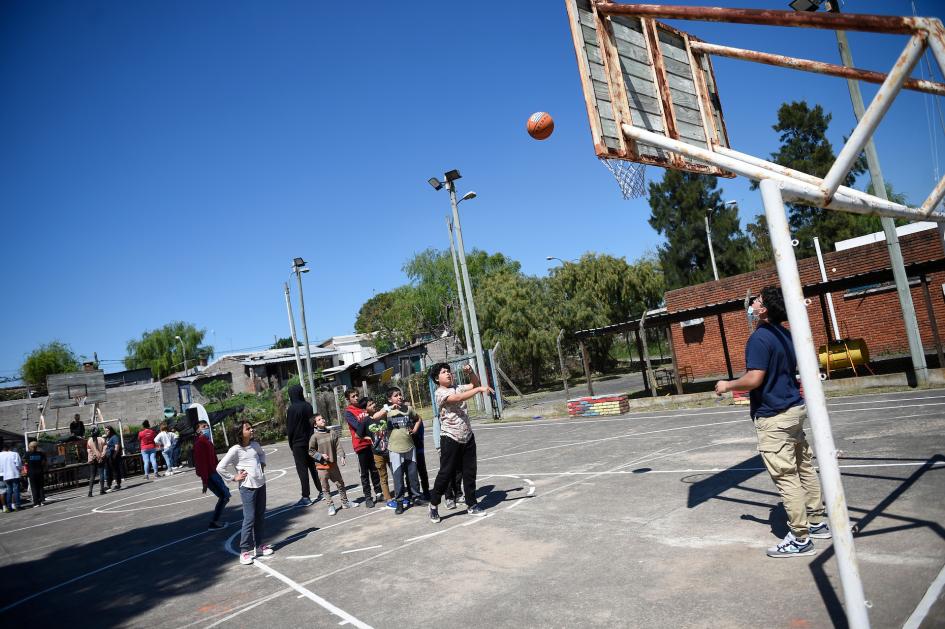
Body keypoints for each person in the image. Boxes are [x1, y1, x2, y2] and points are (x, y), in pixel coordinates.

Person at [715, 286, 830, 558]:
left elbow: (755, 378)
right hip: (793, 409)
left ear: (764, 309)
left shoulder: (760, 338)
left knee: (786, 476)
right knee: (804, 468)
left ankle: (800, 538)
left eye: (757, 300)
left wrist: (726, 385)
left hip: (775, 416)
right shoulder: (786, 335)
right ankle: (816, 522)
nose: (752, 303)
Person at [428, 362, 492, 524]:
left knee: (470, 472)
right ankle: (434, 505)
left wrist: (470, 372)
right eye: (443, 372)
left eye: (448, 371)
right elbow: (458, 398)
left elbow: (474, 383)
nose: (448, 374)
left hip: (467, 436)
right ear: (437, 378)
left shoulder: (457, 386)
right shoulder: (440, 392)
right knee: (446, 473)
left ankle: (472, 504)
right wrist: (478, 390)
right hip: (450, 437)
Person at [217, 421, 270, 565]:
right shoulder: (235, 449)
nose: (251, 430)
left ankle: (259, 546)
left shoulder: (255, 445)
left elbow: (262, 455)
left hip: (260, 484)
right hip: (247, 488)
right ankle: (244, 551)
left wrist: (262, 465)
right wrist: (234, 477)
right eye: (248, 428)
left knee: (260, 516)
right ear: (240, 432)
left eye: (251, 427)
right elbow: (220, 467)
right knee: (250, 518)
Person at [383, 387, 424, 514]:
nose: (399, 397)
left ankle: (416, 497)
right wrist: (387, 408)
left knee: (412, 474)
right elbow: (375, 417)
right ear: (390, 399)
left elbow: (418, 419)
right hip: (395, 449)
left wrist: (415, 429)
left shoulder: (408, 409)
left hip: (409, 447)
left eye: (400, 394)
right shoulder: (388, 412)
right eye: (396, 395)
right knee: (398, 477)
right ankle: (399, 502)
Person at [286, 384, 323, 506]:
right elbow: (311, 424)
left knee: (302, 470)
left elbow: (290, 429)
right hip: (310, 441)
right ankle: (322, 491)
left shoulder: (291, 409)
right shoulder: (308, 406)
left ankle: (306, 496)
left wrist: (291, 444)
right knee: (313, 467)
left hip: (298, 444)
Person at [307, 414, 352, 516]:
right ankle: (330, 506)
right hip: (321, 467)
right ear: (315, 424)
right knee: (325, 488)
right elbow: (311, 451)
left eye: (322, 418)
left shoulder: (331, 432)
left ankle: (345, 502)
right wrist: (321, 455)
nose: (322, 420)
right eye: (319, 419)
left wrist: (341, 456)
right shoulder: (314, 437)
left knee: (340, 483)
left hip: (333, 465)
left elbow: (338, 445)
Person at [344, 389, 381, 508]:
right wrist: (366, 420)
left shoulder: (363, 409)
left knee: (375, 469)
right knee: (364, 473)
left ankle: (379, 492)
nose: (356, 398)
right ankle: (368, 497)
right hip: (360, 445)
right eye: (353, 396)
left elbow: (372, 422)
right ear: (348, 399)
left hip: (372, 443)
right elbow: (357, 426)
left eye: (357, 395)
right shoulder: (349, 412)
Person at [194, 419, 230, 530]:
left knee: (224, 496)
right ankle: (214, 522)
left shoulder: (208, 442)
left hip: (214, 474)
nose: (207, 428)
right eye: (204, 427)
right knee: (224, 496)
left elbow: (213, 460)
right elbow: (202, 464)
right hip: (210, 475)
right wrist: (205, 482)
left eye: (207, 426)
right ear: (198, 430)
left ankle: (215, 521)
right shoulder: (200, 443)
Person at [363, 398, 394, 508]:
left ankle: (399, 496)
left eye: (373, 403)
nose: (373, 405)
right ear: (365, 409)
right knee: (383, 476)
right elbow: (359, 435)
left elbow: (387, 410)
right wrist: (368, 438)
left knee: (396, 473)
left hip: (389, 449)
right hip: (378, 453)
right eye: (370, 404)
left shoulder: (382, 415)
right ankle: (388, 498)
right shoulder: (366, 421)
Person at [0, 442, 23, 511]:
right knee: (15, 490)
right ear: (8, 448)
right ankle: (17, 505)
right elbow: (18, 464)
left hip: (5, 475)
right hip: (14, 473)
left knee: (9, 490)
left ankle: (9, 506)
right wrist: (20, 470)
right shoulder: (14, 454)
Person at [86, 428, 108, 496]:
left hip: (93, 459)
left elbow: (89, 451)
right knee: (101, 474)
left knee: (92, 475)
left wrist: (93, 457)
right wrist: (101, 456)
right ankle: (101, 490)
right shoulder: (102, 439)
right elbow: (105, 449)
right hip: (100, 458)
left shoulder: (89, 440)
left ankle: (90, 492)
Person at [26, 441, 47, 507]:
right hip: (39, 471)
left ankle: (36, 502)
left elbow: (25, 463)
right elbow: (44, 462)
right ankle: (41, 501)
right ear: (36, 447)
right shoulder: (41, 454)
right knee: (40, 487)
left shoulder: (27, 454)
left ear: (30, 447)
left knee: (34, 488)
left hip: (31, 472)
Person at [104, 425, 123, 491]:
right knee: (108, 471)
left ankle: (118, 484)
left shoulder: (115, 437)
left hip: (113, 456)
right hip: (108, 456)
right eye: (105, 431)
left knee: (115, 470)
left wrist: (114, 455)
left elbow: (117, 447)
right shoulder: (107, 438)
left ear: (111, 430)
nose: (106, 432)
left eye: (107, 430)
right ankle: (109, 485)